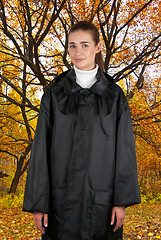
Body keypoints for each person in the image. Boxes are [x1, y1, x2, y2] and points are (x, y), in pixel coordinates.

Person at [22, 21, 141, 240]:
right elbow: (40, 151)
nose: (78, 52)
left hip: (102, 204)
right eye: (72, 45)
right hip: (60, 204)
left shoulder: (114, 96)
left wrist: (120, 202)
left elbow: (124, 150)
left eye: (84, 45)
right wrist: (39, 204)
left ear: (97, 48)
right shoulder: (54, 94)